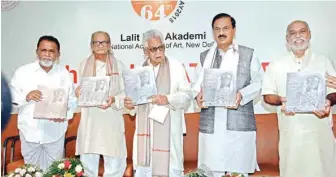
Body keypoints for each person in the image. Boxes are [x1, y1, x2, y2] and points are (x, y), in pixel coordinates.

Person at [262, 20, 336, 177]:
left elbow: (333, 91)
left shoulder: (324, 61)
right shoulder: (276, 65)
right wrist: (281, 100)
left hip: (319, 132)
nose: (298, 36)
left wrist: (328, 101)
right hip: (291, 135)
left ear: (309, 34)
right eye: (293, 33)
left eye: (302, 31)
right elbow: (267, 96)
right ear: (287, 39)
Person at [193, 13, 264, 177]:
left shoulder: (248, 54)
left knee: (237, 171)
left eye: (225, 28)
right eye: (217, 29)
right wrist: (198, 95)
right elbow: (195, 85)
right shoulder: (205, 57)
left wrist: (242, 94)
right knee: (211, 171)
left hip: (238, 125)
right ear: (213, 32)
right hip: (212, 126)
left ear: (234, 30)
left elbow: (259, 83)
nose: (221, 32)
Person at [124, 29, 192, 177]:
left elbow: (187, 95)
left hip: (169, 133)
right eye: (153, 49)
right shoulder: (138, 71)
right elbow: (134, 106)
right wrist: (130, 105)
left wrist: (167, 99)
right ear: (146, 51)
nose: (158, 52)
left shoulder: (176, 67)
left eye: (161, 47)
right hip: (146, 135)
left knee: (170, 170)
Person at [10, 35, 77, 171]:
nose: (47, 54)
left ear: (58, 54)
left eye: (52, 51)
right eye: (43, 50)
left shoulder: (65, 74)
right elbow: (10, 96)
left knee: (54, 171)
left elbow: (72, 100)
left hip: (55, 133)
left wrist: (64, 113)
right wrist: (26, 96)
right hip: (29, 132)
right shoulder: (23, 72)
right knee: (31, 171)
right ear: (37, 52)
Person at [75, 31, 127, 177]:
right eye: (96, 42)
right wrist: (78, 91)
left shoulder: (120, 66)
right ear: (91, 46)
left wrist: (114, 100)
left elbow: (126, 93)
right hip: (91, 120)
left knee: (115, 163)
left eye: (104, 42)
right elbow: (79, 90)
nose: (100, 45)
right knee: (88, 165)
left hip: (112, 119)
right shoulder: (83, 65)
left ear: (109, 45)